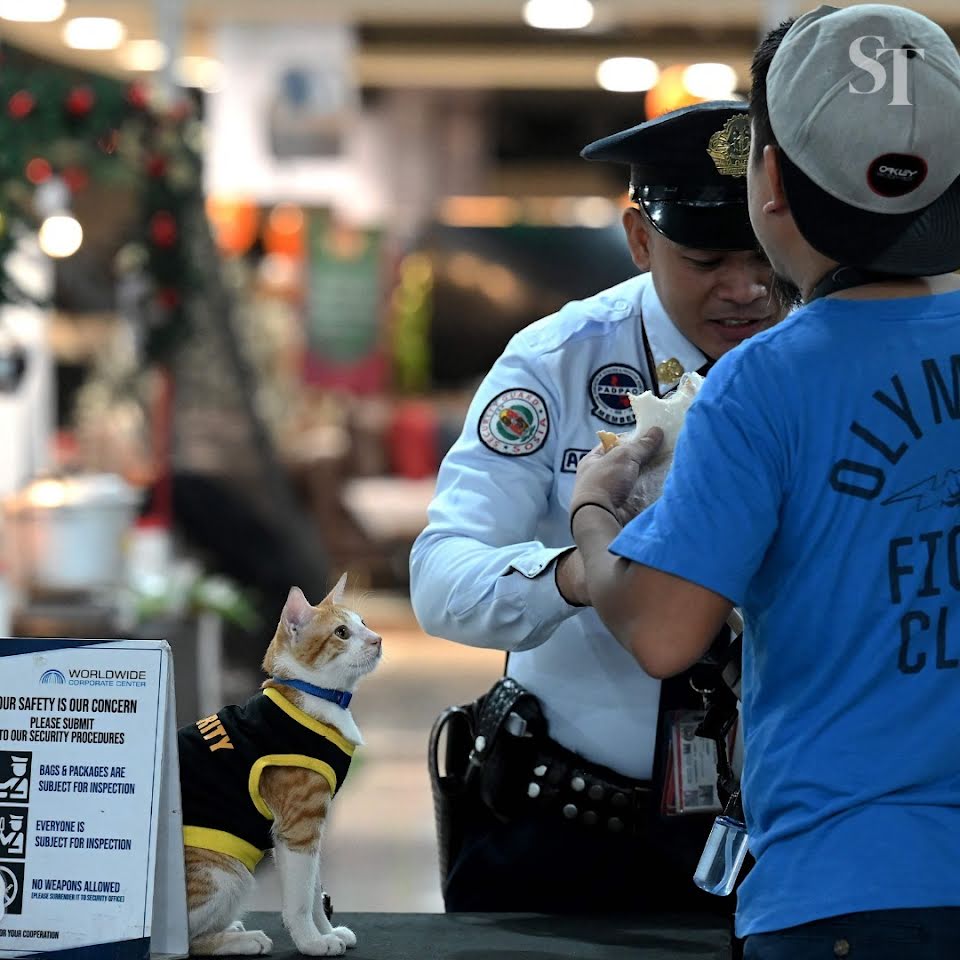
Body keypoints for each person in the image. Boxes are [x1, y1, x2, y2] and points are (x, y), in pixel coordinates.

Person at [568, 5, 960, 958]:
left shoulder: (765, 382)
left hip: (848, 890)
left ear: (771, 180)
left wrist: (593, 511)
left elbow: (663, 631)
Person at [410, 100, 787, 918]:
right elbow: (440, 577)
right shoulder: (559, 363)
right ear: (640, 239)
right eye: (707, 258)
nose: (747, 288)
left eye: (766, 256)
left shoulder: (818, 360)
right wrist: (580, 575)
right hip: (569, 835)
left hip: (778, 833)